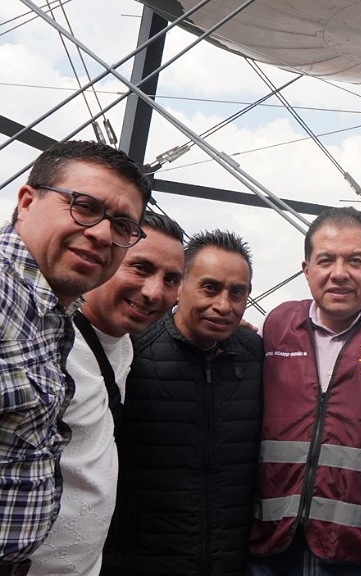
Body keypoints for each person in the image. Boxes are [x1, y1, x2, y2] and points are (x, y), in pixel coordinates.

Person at [248, 208, 361, 575]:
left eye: (354, 261)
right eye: (326, 260)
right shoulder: (278, 325)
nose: (339, 273)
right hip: (272, 552)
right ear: (306, 269)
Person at [1, 140, 149, 572]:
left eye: (122, 225)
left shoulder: (53, 314)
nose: (102, 233)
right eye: (84, 206)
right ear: (27, 201)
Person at [30, 211, 185, 576]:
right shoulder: (40, 344)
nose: (154, 292)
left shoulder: (126, 346)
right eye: (141, 268)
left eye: (171, 279)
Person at [102, 230, 263, 576]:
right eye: (210, 288)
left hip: (228, 564)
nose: (224, 305)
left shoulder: (257, 357)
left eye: (237, 292)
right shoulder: (131, 353)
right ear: (181, 287)